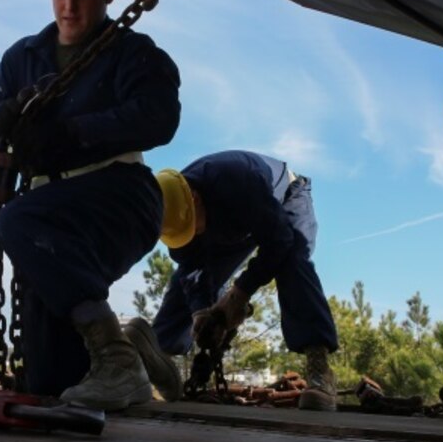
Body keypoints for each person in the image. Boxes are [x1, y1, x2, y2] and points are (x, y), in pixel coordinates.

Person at [0, 0, 181, 410]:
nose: (69, 7)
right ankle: (127, 348)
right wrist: (1, 118)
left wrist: (72, 133)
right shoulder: (23, 57)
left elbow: (159, 116)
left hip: (119, 197)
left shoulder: (133, 54)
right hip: (50, 214)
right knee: (51, 380)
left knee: (18, 218)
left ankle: (116, 359)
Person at [125, 150, 340, 410]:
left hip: (281, 199)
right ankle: (153, 365)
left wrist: (239, 293)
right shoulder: (173, 214)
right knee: (182, 284)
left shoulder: (238, 180)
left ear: (195, 198)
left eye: (193, 227)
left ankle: (319, 368)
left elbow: (279, 240)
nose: (192, 236)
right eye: (185, 232)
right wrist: (201, 313)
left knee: (293, 259)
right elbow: (193, 271)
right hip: (232, 220)